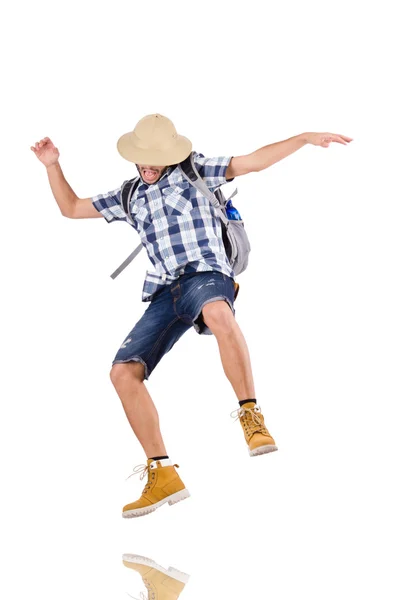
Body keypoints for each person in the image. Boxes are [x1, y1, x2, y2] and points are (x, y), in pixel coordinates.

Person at [31, 114, 352, 518]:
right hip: (166, 291)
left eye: (155, 159)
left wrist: (304, 138)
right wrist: (52, 165)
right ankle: (163, 474)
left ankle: (251, 414)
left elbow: (252, 161)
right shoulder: (130, 194)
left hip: (206, 274)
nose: (147, 166)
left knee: (218, 312)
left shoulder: (195, 170)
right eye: (142, 159)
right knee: (121, 372)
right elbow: (73, 208)